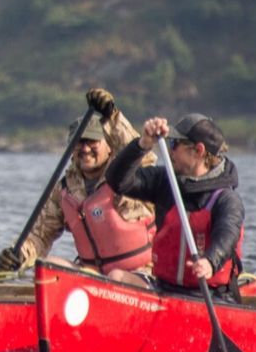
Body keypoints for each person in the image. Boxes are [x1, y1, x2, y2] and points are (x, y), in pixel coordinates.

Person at [0, 87, 157, 277]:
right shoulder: (64, 190)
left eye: (92, 141)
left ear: (109, 146)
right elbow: (40, 235)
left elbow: (140, 152)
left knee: (116, 277)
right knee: (48, 266)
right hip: (93, 274)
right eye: (78, 142)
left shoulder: (129, 174)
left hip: (141, 273)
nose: (85, 148)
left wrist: (111, 115)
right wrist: (19, 254)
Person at [104, 111, 245, 292]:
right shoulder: (165, 180)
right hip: (163, 288)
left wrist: (210, 262)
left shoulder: (226, 199)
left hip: (208, 294)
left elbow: (227, 234)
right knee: (116, 276)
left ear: (198, 150)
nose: (170, 151)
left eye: (175, 144)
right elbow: (117, 181)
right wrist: (143, 144)